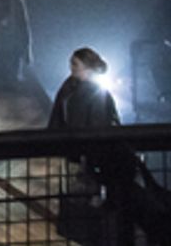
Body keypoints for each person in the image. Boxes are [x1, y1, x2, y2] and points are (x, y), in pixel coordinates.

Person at [49, 48, 125, 245]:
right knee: (82, 194)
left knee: (84, 194)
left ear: (88, 68)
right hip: (79, 151)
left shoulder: (73, 89)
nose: (71, 68)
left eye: (75, 64)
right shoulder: (75, 88)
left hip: (83, 152)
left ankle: (83, 233)